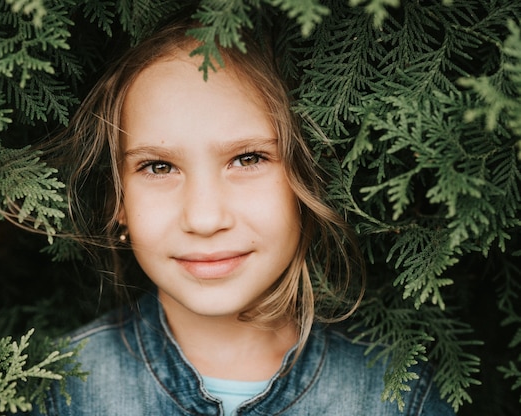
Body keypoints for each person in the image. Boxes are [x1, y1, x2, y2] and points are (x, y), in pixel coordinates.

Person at [27, 17, 455, 416]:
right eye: (158, 167)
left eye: (248, 158)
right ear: (116, 199)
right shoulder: (64, 388)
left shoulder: (394, 394)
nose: (204, 218)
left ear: (307, 177)